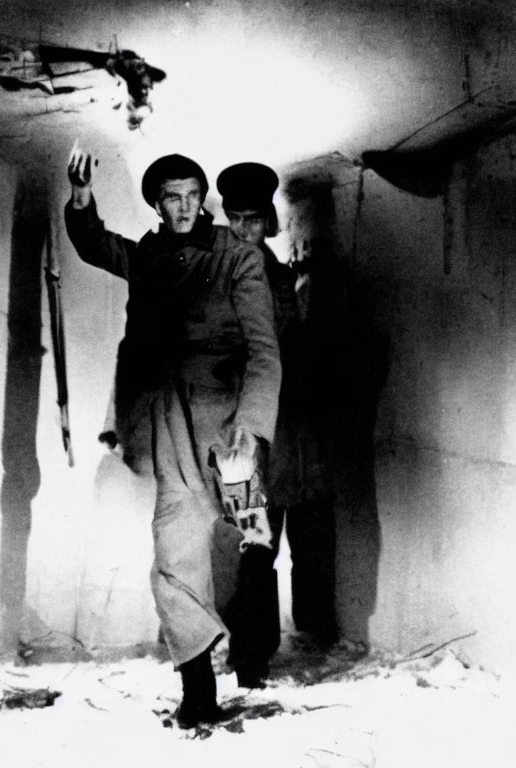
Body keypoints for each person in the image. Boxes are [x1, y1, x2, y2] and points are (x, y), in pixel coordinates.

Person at [64, 149, 281, 727]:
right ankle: (199, 690)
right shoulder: (150, 256)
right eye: (171, 198)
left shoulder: (239, 258)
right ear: (157, 204)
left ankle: (255, 661)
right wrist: (82, 198)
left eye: (191, 195)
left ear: (200, 197)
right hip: (171, 425)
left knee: (252, 540)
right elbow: (93, 244)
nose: (183, 208)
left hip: (230, 426)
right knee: (174, 552)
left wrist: (252, 428)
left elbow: (264, 352)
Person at [216, 162, 340, 673]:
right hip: (242, 432)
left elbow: (296, 352)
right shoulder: (214, 273)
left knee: (298, 530)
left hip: (288, 429)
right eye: (236, 220)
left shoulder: (280, 275)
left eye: (254, 219)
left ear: (268, 219)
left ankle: (304, 639)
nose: (246, 230)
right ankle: (249, 654)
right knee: (251, 541)